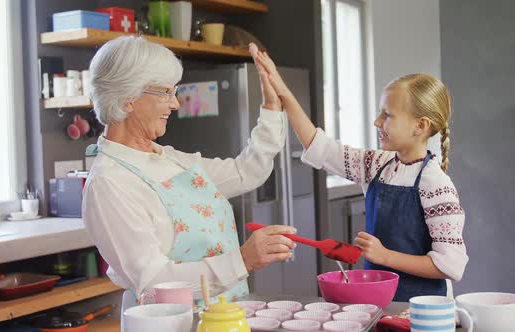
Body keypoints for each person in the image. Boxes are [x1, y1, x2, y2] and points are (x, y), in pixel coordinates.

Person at [81, 36, 297, 318]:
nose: (175, 104)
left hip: (225, 316)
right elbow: (153, 281)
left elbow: (247, 171)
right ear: (128, 98)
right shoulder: (109, 183)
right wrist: (242, 260)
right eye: (166, 92)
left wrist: (271, 106)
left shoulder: (170, 158)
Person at [250, 44, 468, 301]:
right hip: (376, 304)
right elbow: (321, 147)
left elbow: (450, 266)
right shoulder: (377, 164)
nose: (377, 121)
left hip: (421, 312)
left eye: (387, 115)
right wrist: (283, 92)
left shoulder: (436, 185)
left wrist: (384, 255)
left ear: (420, 125)